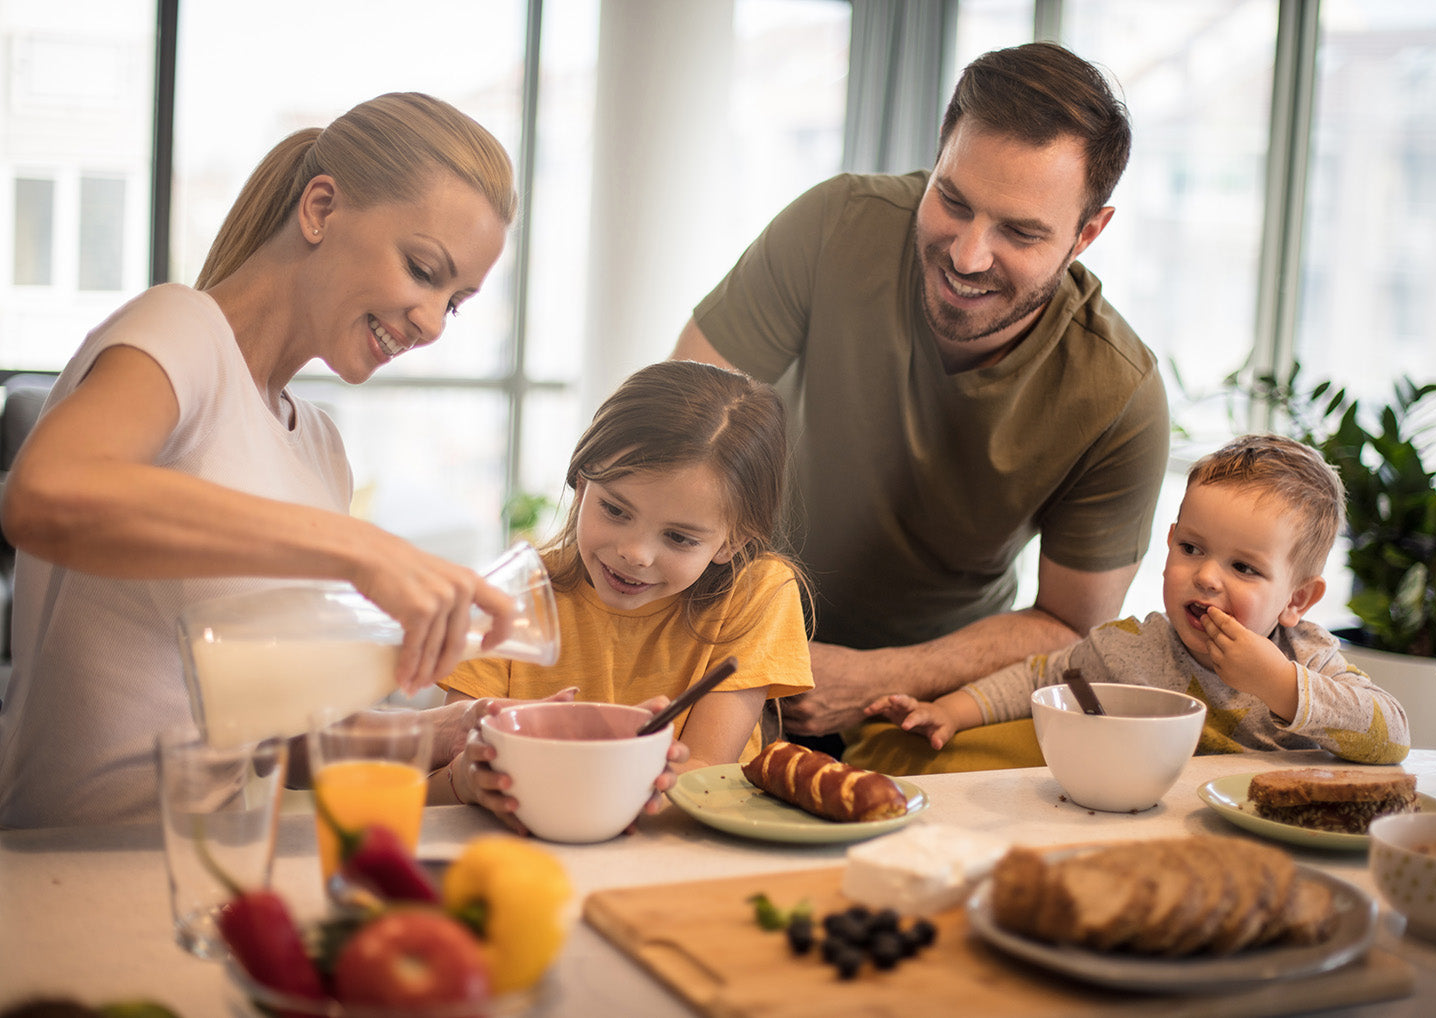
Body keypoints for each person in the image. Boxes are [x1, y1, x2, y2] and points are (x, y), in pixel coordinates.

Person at [0, 93, 682, 829]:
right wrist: (360, 550)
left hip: (217, 863)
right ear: (321, 208)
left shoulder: (318, 447)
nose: (430, 323)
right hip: (70, 860)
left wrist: (449, 733)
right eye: (424, 270)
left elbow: (271, 737)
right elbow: (47, 495)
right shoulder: (180, 329)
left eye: (454, 302)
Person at [670, 42, 1170, 768]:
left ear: (1087, 233)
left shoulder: (1117, 394)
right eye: (953, 201)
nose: (967, 256)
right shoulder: (835, 223)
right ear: (937, 157)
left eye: (1020, 232)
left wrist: (878, 677)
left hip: (928, 699)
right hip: (724, 635)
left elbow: (1071, 624)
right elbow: (676, 428)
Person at [869, 435, 1412, 764]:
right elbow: (1043, 676)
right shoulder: (1129, 649)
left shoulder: (1305, 658)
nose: (1206, 577)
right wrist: (950, 711)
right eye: (1191, 548)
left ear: (1296, 600)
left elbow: (1392, 735)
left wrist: (1277, 683)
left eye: (1243, 567)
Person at [440, 360, 815, 828]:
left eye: (679, 538)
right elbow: (438, 777)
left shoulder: (758, 594)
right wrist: (467, 780)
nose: (635, 554)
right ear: (580, 485)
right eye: (615, 510)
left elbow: (703, 773)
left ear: (733, 542)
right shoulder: (509, 596)